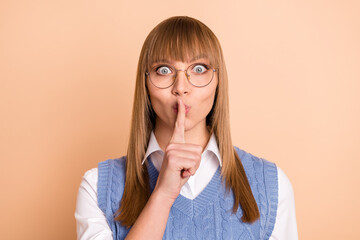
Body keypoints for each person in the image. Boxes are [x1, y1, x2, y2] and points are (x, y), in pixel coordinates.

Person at [75, 16, 298, 239]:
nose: (181, 88)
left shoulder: (272, 185)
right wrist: (163, 194)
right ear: (145, 83)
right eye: (164, 70)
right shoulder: (96, 186)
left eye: (199, 68)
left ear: (218, 80)